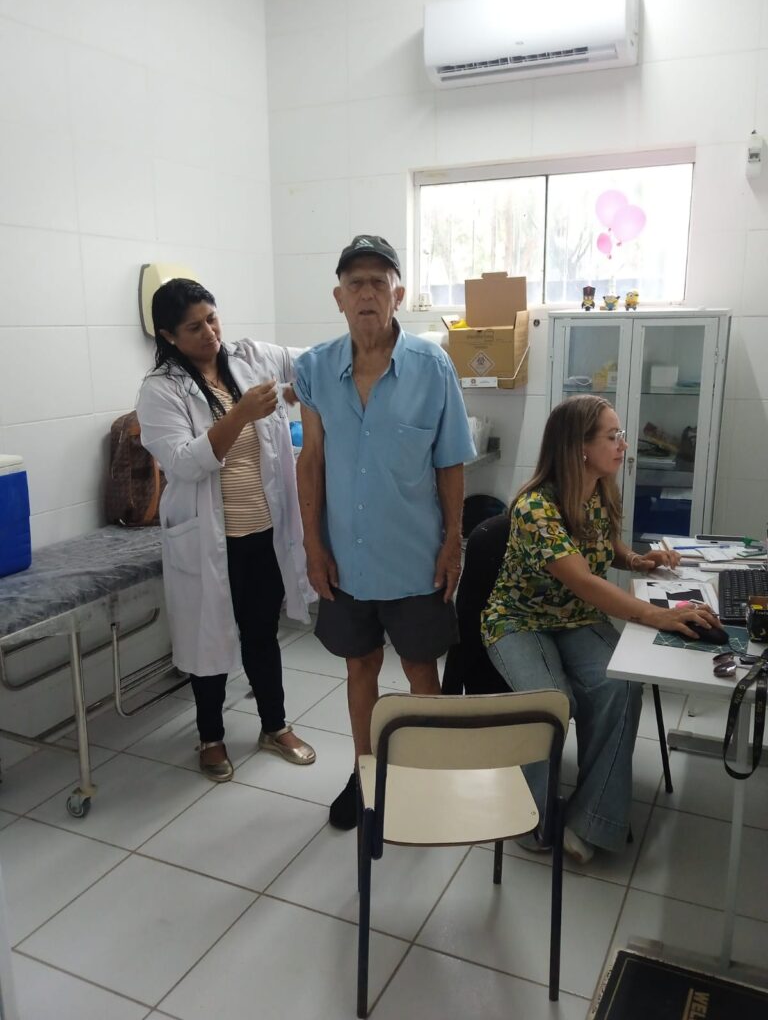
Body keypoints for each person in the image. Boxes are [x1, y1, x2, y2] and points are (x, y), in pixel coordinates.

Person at [481, 394, 723, 863]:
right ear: (579, 448)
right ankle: (529, 816)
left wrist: (636, 559)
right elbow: (584, 580)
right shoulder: (535, 508)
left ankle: (592, 819)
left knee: (621, 687)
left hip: (575, 616)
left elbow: (604, 545)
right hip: (519, 620)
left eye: (621, 435)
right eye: (612, 437)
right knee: (552, 702)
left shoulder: (598, 490)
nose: (623, 445)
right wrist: (656, 615)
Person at [294, 235, 476, 829]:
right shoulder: (315, 368)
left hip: (416, 556)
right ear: (339, 297)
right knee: (360, 666)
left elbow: (450, 462)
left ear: (398, 294)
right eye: (356, 283)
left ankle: (430, 777)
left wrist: (453, 543)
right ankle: (366, 773)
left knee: (422, 670)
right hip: (345, 558)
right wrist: (312, 544)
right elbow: (310, 460)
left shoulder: (432, 365)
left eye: (379, 282)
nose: (367, 293)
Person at [136, 278, 317, 781]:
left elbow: (313, 360)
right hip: (207, 537)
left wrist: (364, 338)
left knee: (262, 632)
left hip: (262, 530)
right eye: (194, 327)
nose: (210, 333)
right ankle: (211, 737)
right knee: (208, 638)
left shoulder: (250, 357)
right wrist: (241, 414)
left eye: (212, 318)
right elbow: (183, 462)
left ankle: (274, 725)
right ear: (169, 336)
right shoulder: (160, 390)